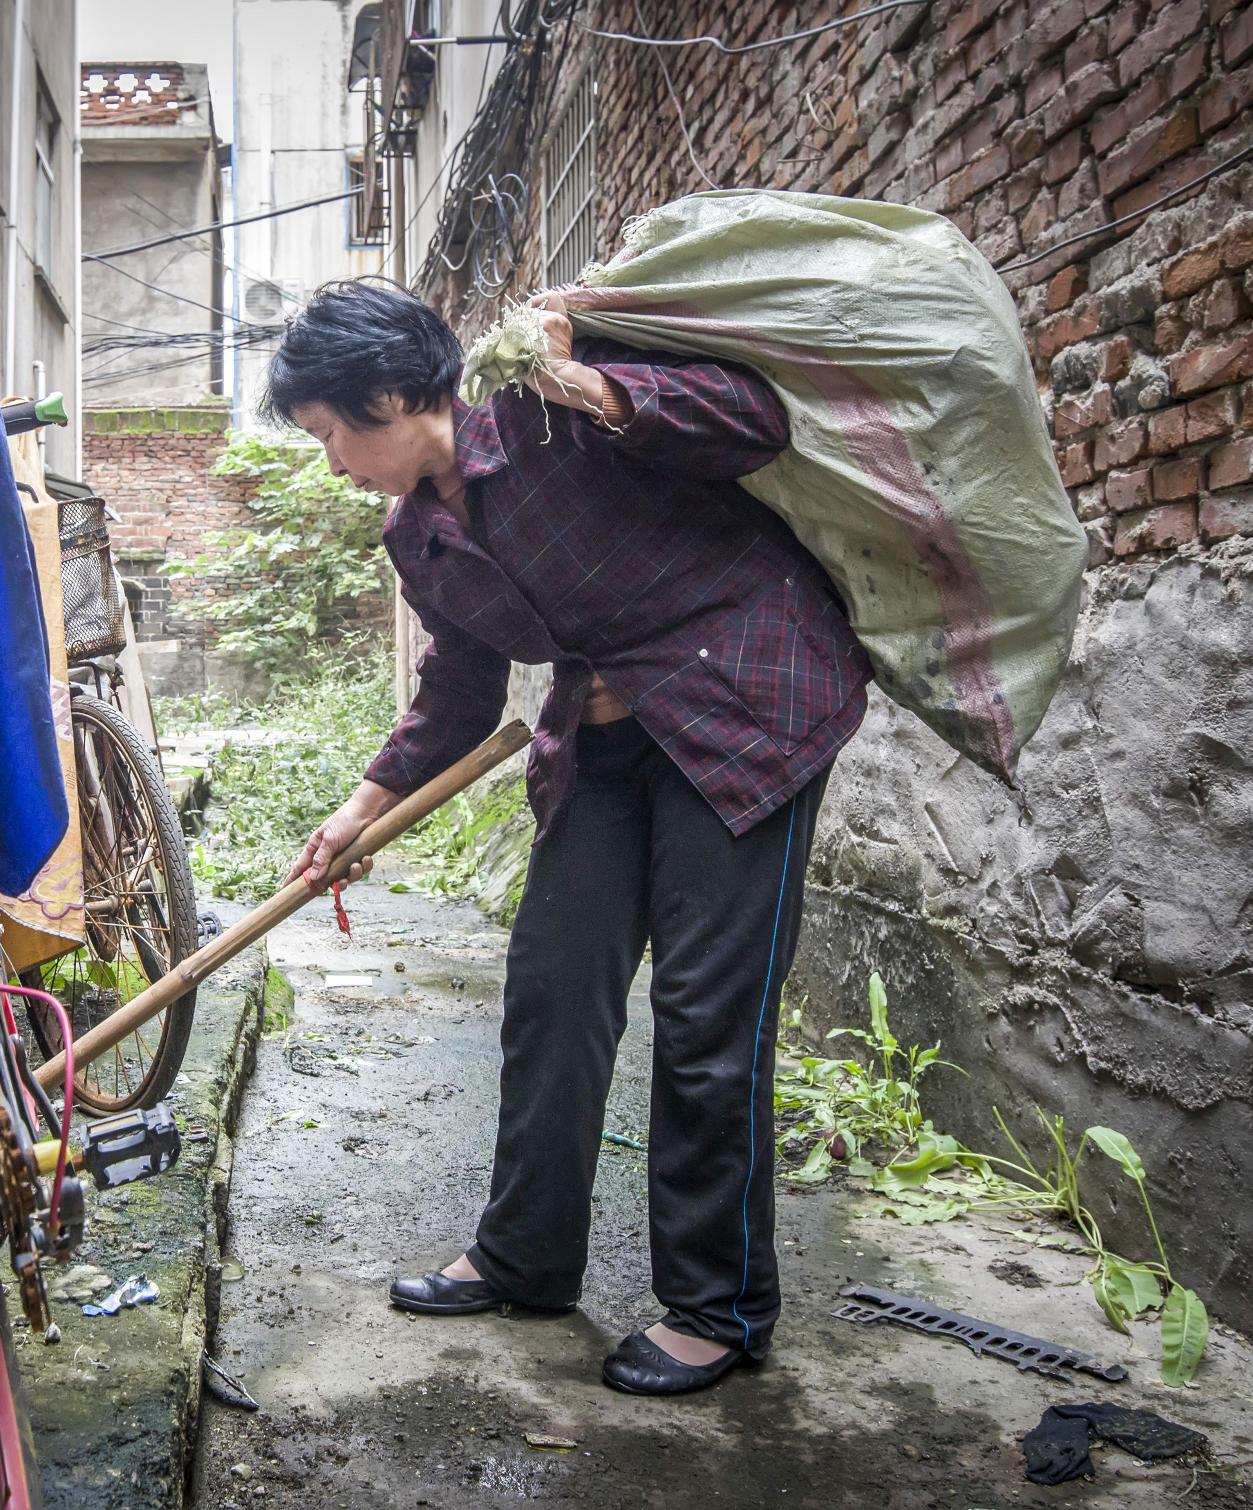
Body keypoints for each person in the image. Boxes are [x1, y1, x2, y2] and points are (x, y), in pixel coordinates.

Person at [271, 279, 871, 1396]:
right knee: (552, 988)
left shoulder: (546, 408)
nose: (333, 464)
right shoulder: (421, 535)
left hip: (745, 708)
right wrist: (357, 813)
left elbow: (753, 421)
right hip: (599, 740)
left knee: (705, 1016)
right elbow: (457, 686)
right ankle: (524, 1254)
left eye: (330, 435)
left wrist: (597, 386)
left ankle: (717, 1304)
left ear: (392, 394)